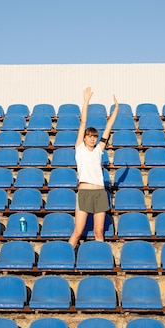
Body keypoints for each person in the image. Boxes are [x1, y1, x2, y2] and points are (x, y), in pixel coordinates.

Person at [68, 87, 119, 249]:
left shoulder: (98, 150)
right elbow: (83, 122)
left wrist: (116, 109)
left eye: (94, 136)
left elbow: (108, 129)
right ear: (84, 138)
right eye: (89, 136)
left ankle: (101, 262)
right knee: (78, 231)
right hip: (84, 192)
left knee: (99, 233)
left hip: (99, 193)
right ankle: (69, 256)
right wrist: (86, 101)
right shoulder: (79, 149)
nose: (92, 138)